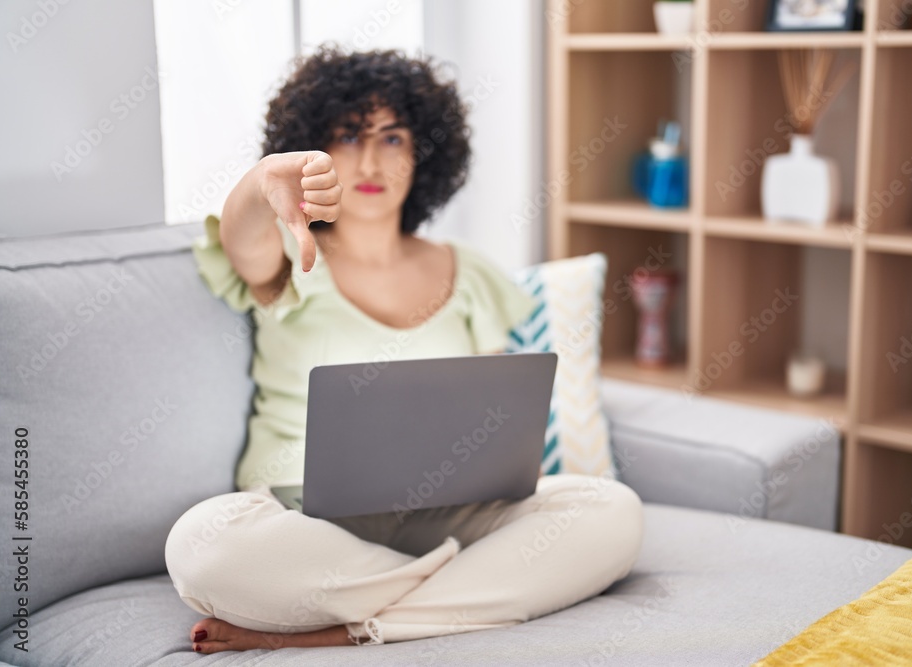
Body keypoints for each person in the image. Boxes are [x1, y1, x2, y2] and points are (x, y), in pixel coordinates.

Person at [164, 46, 644, 654]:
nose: (370, 159)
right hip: (304, 521)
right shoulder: (290, 255)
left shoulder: (469, 272)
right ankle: (466, 594)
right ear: (316, 144)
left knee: (612, 511)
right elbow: (244, 234)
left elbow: (495, 416)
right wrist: (263, 184)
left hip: (455, 511)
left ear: (424, 155)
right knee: (201, 545)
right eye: (347, 134)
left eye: (392, 138)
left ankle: (348, 627)